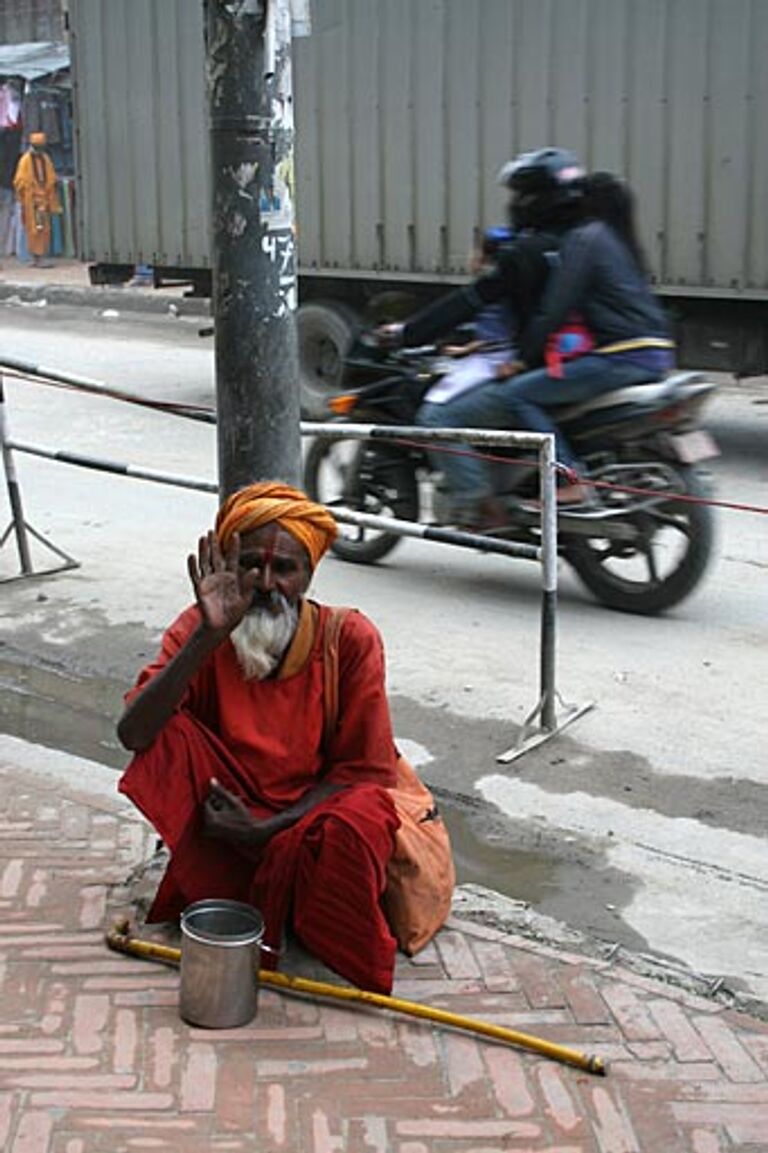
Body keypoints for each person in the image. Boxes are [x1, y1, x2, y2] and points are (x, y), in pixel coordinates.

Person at [117, 481, 403, 995]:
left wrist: (267, 828)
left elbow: (364, 773)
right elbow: (134, 734)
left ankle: (296, 903)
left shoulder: (351, 639)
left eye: (285, 569)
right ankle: (246, 892)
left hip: (306, 820)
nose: (266, 583)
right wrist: (208, 636)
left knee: (362, 816)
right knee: (165, 733)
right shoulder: (204, 625)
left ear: (309, 575)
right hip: (225, 817)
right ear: (229, 565)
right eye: (251, 564)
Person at [12, 131, 61, 268]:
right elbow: (19, 181)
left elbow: (50, 178)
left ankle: (40, 257)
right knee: (34, 230)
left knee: (44, 230)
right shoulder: (25, 160)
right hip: (31, 202)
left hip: (43, 201)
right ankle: (35, 258)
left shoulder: (45, 159)